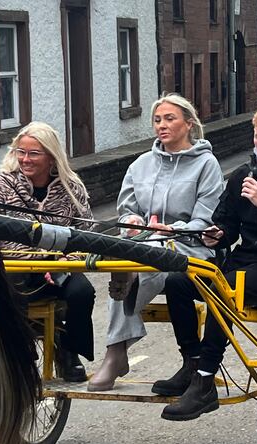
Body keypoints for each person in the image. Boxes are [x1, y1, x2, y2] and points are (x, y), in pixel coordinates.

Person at [153, 105, 257, 421]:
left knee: (225, 289)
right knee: (177, 281)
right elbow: (227, 224)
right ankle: (192, 363)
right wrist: (215, 234)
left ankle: (206, 381)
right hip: (243, 262)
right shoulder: (243, 176)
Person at [87, 94, 224, 392]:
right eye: (157, 120)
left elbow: (206, 221)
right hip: (145, 244)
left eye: (170, 119)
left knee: (138, 262)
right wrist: (133, 223)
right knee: (129, 258)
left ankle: (116, 352)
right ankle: (117, 346)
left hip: (190, 247)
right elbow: (127, 209)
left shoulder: (207, 165)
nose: (161, 125)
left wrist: (170, 228)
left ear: (189, 124)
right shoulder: (140, 165)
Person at [0, 122, 95, 382]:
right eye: (21, 152)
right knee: (11, 290)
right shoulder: (1, 184)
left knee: (82, 292)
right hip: (15, 266)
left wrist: (66, 260)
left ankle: (68, 352)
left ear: (51, 156)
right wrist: (38, 258)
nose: (25, 159)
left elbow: (86, 231)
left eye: (33, 154)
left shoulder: (70, 186)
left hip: (60, 265)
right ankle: (21, 350)